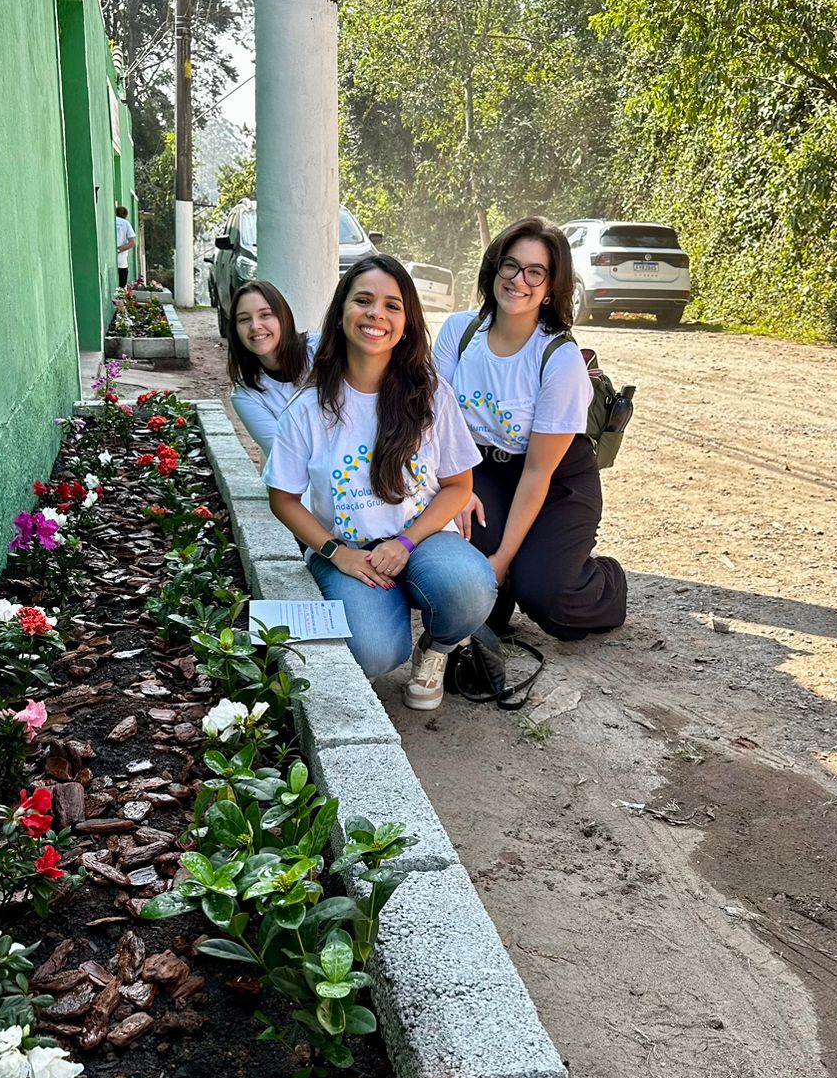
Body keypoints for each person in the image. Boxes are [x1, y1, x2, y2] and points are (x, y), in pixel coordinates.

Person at [265, 255, 497, 709]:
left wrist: (406, 544)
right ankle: (385, 617)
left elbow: (459, 485)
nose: (376, 314)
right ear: (341, 313)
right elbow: (283, 498)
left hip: (423, 540)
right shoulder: (308, 407)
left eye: (393, 305)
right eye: (363, 301)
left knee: (469, 586)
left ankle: (437, 648)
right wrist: (337, 553)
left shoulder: (431, 393)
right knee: (374, 652)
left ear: (407, 324)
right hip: (350, 550)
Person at [434, 216, 627, 640]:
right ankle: (501, 590)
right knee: (474, 591)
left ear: (551, 287)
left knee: (549, 597)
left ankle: (607, 583)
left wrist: (503, 559)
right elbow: (435, 423)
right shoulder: (459, 332)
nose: (518, 280)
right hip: (481, 467)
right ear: (494, 268)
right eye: (511, 265)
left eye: (535, 272)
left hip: (554, 477)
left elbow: (538, 472)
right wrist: (457, 488)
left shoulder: (559, 359)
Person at [227, 280, 315, 459]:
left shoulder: (321, 350)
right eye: (244, 319)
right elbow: (285, 455)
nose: (255, 326)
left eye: (265, 315)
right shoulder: (245, 395)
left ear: (284, 317)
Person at [115, 206, 136, 288]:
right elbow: (132, 243)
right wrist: (118, 250)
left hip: (106, 260)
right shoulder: (125, 223)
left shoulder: (108, 221)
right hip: (121, 262)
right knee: (121, 289)